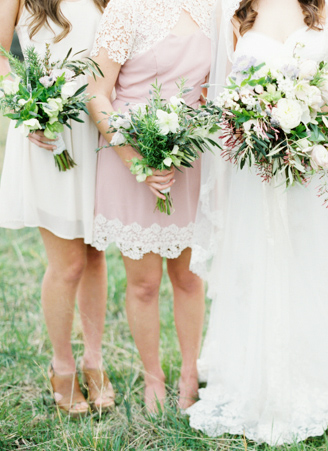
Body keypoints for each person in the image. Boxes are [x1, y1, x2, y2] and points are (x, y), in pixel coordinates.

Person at [186, 0, 328, 445]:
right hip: (256, 170)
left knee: (321, 261)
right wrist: (254, 125)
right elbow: (222, 100)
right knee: (259, 265)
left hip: (315, 166)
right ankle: (260, 377)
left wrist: (310, 126)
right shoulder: (236, 10)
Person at [87, 0, 213, 412]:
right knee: (143, 284)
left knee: (190, 278)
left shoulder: (216, 7)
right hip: (129, 156)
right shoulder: (125, 9)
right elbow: (98, 95)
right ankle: (153, 377)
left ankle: (190, 374)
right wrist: (136, 161)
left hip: (189, 158)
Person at [0, 0, 114, 416]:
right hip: (48, 134)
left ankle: (95, 361)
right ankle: (62, 365)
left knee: (96, 254)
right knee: (67, 264)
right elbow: (0, 56)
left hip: (94, 128)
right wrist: (26, 107)